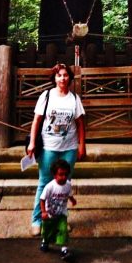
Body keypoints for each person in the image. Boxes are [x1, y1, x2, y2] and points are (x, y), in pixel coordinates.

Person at [27, 62, 86, 236]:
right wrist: (32, 142)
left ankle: (59, 219)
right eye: (59, 75)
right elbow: (37, 120)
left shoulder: (74, 98)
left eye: (65, 75)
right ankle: (37, 220)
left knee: (64, 184)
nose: (62, 78)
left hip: (69, 147)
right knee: (44, 183)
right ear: (54, 78)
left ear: (70, 78)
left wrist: (82, 145)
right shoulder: (46, 96)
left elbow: (80, 123)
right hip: (49, 147)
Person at [39, 158, 77, 261]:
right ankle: (45, 241)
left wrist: (72, 200)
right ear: (55, 175)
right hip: (50, 214)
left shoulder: (68, 184)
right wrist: (43, 212)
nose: (63, 177)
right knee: (47, 230)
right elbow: (42, 199)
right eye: (60, 174)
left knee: (63, 230)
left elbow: (69, 193)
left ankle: (64, 249)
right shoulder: (50, 187)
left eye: (65, 174)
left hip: (61, 213)